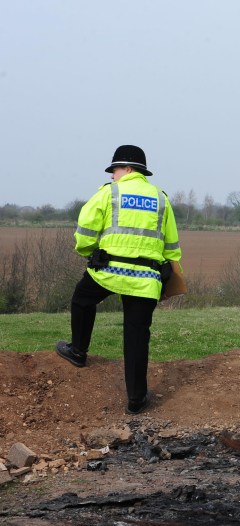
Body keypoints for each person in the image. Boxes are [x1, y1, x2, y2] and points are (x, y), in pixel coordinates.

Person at [56, 145, 182, 414]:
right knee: (136, 336)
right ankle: (136, 400)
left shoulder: (109, 193)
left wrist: (90, 253)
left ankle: (78, 352)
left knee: (82, 299)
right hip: (146, 278)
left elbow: (85, 231)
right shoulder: (161, 198)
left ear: (127, 169)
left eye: (115, 169)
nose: (113, 175)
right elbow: (171, 245)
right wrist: (170, 272)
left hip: (109, 271)